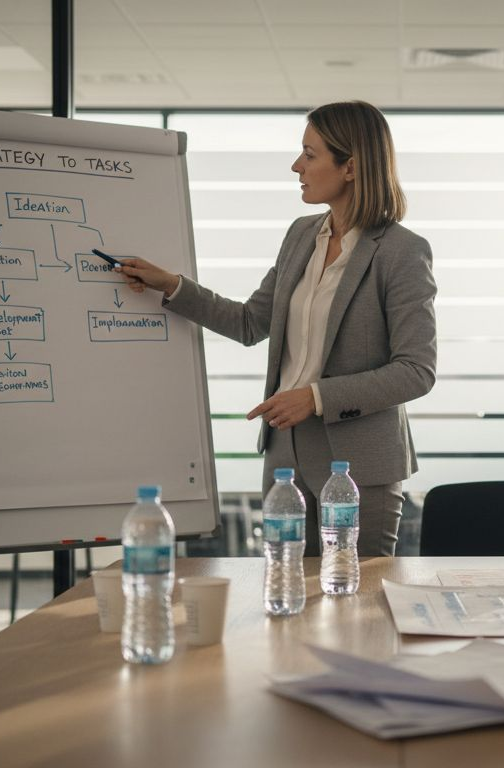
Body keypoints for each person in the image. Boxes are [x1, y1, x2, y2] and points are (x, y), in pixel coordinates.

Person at [116, 101, 436, 557]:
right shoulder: (301, 235)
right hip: (285, 457)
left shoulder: (401, 252)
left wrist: (315, 397)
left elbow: (416, 371)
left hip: (360, 467)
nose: (296, 166)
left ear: (351, 166)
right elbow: (251, 323)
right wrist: (171, 286)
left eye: (310, 154)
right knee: (285, 592)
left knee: (357, 607)